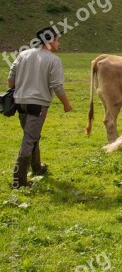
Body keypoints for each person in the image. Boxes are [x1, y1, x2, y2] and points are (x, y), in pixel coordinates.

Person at [7, 27, 72, 188]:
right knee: (29, 139)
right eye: (57, 39)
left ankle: (37, 167)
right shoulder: (54, 60)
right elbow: (57, 85)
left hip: (20, 101)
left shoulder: (24, 54)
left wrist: (15, 92)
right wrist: (66, 104)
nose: (59, 42)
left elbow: (11, 77)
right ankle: (19, 180)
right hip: (38, 105)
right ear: (50, 41)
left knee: (31, 135)